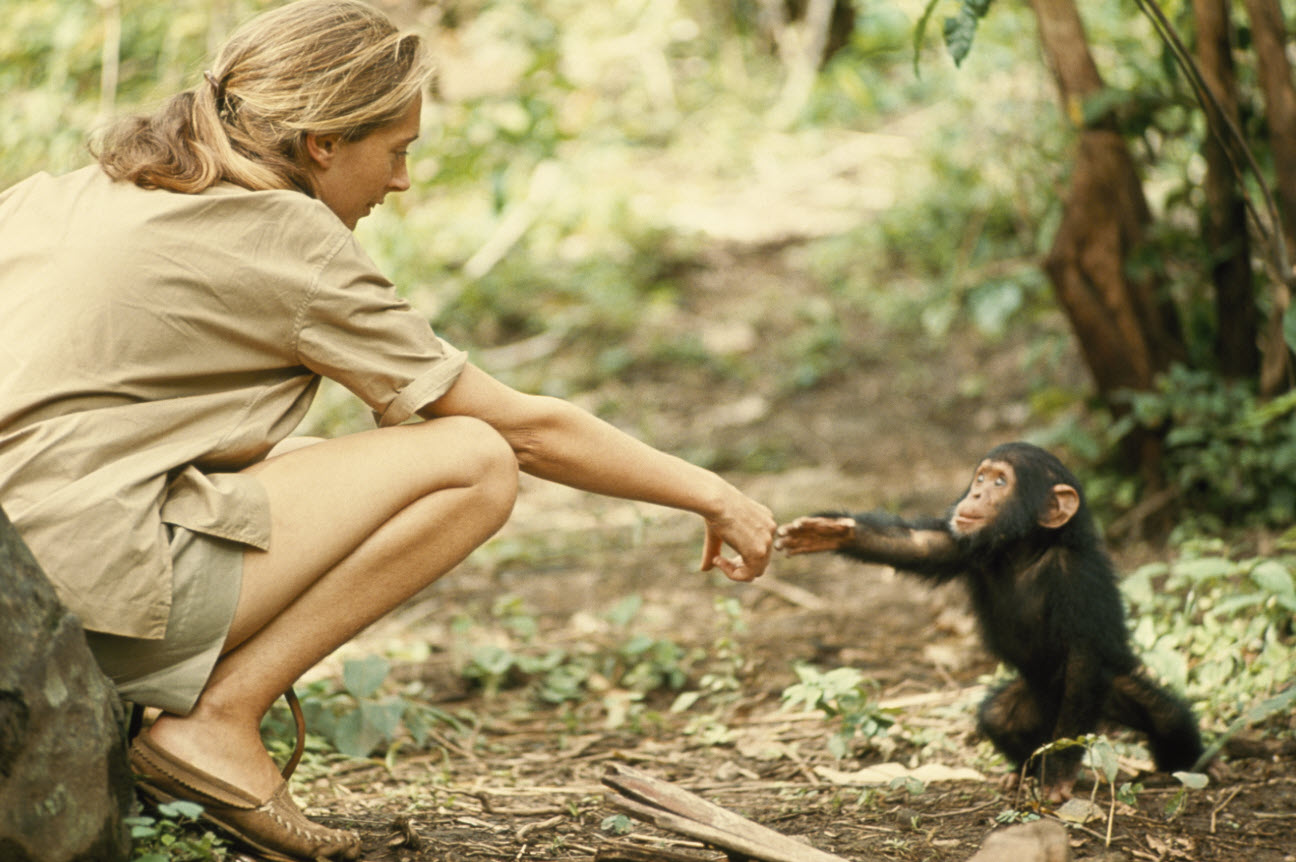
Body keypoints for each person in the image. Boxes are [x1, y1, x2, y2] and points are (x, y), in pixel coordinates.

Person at [0, 1, 776, 859]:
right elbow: (518, 432)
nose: (402, 181)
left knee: (300, 459)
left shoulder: (64, 193)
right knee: (469, 462)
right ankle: (214, 723)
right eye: (397, 150)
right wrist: (712, 494)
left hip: (19, 583)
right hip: (82, 598)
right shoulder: (286, 234)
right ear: (324, 143)